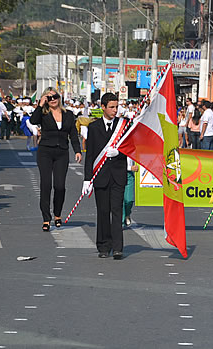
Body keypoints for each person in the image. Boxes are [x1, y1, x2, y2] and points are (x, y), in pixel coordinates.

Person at [30, 87, 82, 232]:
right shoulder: (43, 114)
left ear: (60, 98)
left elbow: (73, 134)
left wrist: (77, 151)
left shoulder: (69, 115)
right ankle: (46, 218)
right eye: (49, 98)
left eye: (55, 97)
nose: (53, 100)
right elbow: (33, 121)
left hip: (62, 152)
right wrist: (40, 105)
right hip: (45, 151)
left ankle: (57, 214)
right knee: (46, 185)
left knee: (60, 186)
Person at [83, 93, 127, 260]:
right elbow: (91, 154)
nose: (115, 110)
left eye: (116, 107)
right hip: (100, 176)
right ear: (103, 107)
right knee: (103, 212)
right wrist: (87, 179)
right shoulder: (94, 128)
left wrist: (119, 152)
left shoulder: (123, 125)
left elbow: (131, 147)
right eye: (111, 107)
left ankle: (117, 247)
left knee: (117, 211)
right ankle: (103, 246)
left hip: (117, 175)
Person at [123, 157, 138, 227]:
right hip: (119, 173)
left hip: (129, 175)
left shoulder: (132, 146)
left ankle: (127, 214)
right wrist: (129, 168)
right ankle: (121, 222)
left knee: (129, 200)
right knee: (120, 201)